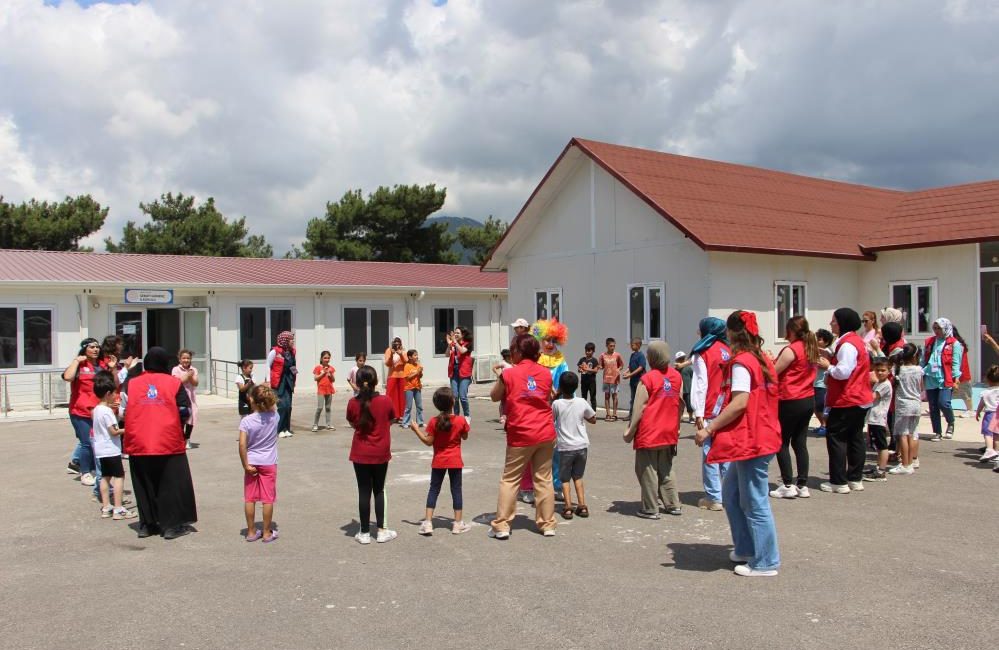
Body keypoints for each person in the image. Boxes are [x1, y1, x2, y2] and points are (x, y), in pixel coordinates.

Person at [695, 310, 781, 577]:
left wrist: (710, 428)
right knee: (732, 495)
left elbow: (740, 402)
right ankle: (745, 547)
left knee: (754, 501)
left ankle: (766, 561)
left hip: (753, 437)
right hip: (759, 433)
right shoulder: (760, 358)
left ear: (732, 333)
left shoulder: (743, 361)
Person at [122, 347, 196, 540]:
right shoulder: (173, 383)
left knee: (144, 484)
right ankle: (170, 525)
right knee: (170, 484)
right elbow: (184, 411)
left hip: (139, 442)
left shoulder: (131, 383)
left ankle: (147, 525)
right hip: (168, 441)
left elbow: (123, 409)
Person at [488, 333, 557, 540]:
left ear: (519, 351)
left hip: (521, 432)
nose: (511, 354)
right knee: (543, 479)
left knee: (510, 479)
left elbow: (494, 396)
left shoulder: (509, 374)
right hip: (545, 431)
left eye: (513, 350)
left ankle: (502, 525)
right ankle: (547, 523)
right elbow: (547, 396)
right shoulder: (546, 373)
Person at [624, 341, 683, 519]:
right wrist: (677, 426)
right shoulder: (676, 377)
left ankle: (650, 507)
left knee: (647, 470)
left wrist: (630, 430)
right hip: (669, 430)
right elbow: (680, 404)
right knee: (666, 468)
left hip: (650, 431)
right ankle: (673, 503)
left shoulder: (648, 379)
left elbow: (639, 407)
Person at [816, 308, 872, 494]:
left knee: (837, 439)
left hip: (846, 398)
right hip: (859, 397)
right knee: (855, 438)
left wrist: (828, 367)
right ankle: (855, 478)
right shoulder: (857, 341)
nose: (831, 323)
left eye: (834, 321)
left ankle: (839, 481)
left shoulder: (847, 345)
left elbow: (843, 372)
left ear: (842, 323)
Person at [410, 387, 471, 536]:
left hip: (439, 461)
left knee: (434, 489)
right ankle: (457, 524)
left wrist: (416, 429)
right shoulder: (460, 420)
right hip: (455, 461)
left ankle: (428, 522)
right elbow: (465, 437)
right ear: (452, 402)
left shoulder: (433, 421)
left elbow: (428, 441)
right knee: (456, 490)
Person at [347, 365, 397, 545]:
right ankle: (382, 530)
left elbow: (353, 423)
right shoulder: (385, 401)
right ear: (376, 382)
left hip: (360, 452)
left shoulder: (353, 403)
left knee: (363, 490)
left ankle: (364, 532)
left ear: (357, 383)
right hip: (381, 451)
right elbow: (392, 419)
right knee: (379, 489)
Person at [770, 316, 818, 499]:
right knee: (800, 442)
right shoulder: (810, 347)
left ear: (790, 330)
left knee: (781, 441)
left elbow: (774, 372)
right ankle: (802, 484)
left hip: (790, 398)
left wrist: (768, 361)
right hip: (807, 398)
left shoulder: (792, 349)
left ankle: (788, 483)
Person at [690, 317, 731, 511]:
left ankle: (714, 496)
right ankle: (730, 492)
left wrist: (698, 412)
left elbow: (700, 384)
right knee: (726, 452)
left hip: (710, 408)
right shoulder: (728, 350)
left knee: (710, 452)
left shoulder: (703, 353)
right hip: (728, 407)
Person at [91, 371, 137, 520]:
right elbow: (113, 431)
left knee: (105, 477)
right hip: (111, 449)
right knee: (119, 477)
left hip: (100, 450)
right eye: (114, 394)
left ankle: (106, 506)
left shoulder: (97, 410)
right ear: (108, 393)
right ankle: (118, 508)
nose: (115, 396)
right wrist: (129, 429)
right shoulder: (107, 411)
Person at [533, 318, 569, 497]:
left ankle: (557, 484)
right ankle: (538, 483)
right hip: (538, 408)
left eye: (553, 340)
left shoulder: (561, 361)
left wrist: (559, 394)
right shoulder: (536, 359)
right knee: (538, 448)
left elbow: (566, 381)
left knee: (557, 449)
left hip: (556, 408)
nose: (549, 343)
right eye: (546, 339)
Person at [239, 384, 280, 543]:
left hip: (252, 462)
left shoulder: (246, 421)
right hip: (269, 462)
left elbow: (242, 444)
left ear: (251, 400)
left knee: (250, 498)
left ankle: (250, 532)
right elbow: (274, 405)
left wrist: (245, 464)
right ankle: (267, 533)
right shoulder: (274, 416)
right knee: (267, 499)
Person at [552, 372, 595, 520]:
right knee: (578, 476)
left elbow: (551, 419)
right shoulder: (582, 402)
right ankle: (582, 506)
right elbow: (593, 419)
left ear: (560, 388)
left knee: (564, 478)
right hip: (581, 445)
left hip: (565, 447)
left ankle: (568, 506)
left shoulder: (557, 404)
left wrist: (554, 396)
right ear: (576, 386)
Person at [63, 338, 101, 487]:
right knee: (86, 443)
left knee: (95, 443)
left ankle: (87, 467)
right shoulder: (79, 366)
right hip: (79, 411)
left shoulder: (100, 366)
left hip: (96, 411)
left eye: (97, 347)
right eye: (92, 347)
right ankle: (85, 472)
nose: (95, 349)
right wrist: (76, 361)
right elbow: (68, 377)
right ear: (84, 349)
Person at [922, 317, 963, 441]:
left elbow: (956, 363)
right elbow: (924, 359)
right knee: (933, 406)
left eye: (939, 328)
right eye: (935, 328)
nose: (936, 331)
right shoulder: (929, 341)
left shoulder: (954, 343)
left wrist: (956, 379)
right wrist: (920, 371)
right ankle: (937, 432)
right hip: (930, 376)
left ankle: (950, 422)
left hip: (945, 377)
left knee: (944, 403)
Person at [890, 344, 922, 475]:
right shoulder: (919, 369)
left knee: (903, 434)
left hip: (903, 405)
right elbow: (922, 386)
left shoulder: (898, 370)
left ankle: (905, 464)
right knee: (913, 433)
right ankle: (912, 460)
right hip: (916, 403)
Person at [863, 358, 893, 482]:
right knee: (877, 445)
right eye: (877, 370)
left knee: (882, 446)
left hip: (879, 419)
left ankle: (881, 471)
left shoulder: (885, 385)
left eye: (883, 370)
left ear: (889, 371)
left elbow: (872, 397)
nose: (880, 373)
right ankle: (877, 467)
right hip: (873, 418)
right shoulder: (879, 383)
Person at [268, 331, 298, 438]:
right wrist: (268, 381)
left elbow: (293, 366)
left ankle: (286, 428)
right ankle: (279, 429)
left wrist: (294, 378)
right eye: (291, 340)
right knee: (282, 406)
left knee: (288, 406)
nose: (293, 342)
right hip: (279, 382)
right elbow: (268, 366)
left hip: (288, 381)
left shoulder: (292, 352)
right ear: (285, 341)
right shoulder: (275, 351)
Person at [172, 349, 199, 449]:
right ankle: (181, 439)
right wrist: (187, 375)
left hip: (191, 397)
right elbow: (177, 382)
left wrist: (191, 376)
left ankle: (187, 439)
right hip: (180, 398)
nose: (186, 360)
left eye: (188, 358)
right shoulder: (175, 369)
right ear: (179, 359)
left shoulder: (194, 369)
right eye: (183, 358)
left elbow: (195, 383)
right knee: (181, 418)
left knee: (192, 418)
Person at [447, 327, 474, 422]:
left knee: (462, 396)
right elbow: (446, 354)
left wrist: (454, 342)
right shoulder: (454, 344)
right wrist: (449, 345)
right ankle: (456, 416)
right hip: (454, 371)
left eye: (458, 333)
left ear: (463, 334)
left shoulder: (468, 344)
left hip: (464, 372)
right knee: (455, 396)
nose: (456, 334)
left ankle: (467, 415)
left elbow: (462, 351)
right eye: (455, 333)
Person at [812, 329, 835, 436]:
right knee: (815, 407)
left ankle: (825, 425)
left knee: (820, 406)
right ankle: (822, 424)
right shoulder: (817, 351)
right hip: (815, 383)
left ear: (826, 342)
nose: (817, 341)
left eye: (819, 339)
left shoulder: (827, 352)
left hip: (822, 384)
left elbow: (822, 364)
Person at [976, 365, 999, 462]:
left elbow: (981, 404)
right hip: (998, 414)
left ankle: (989, 449)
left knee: (987, 433)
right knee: (997, 435)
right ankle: (997, 453)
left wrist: (978, 412)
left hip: (990, 414)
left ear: (987, 380)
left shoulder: (986, 392)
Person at [598, 338, 625, 421]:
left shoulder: (617, 355)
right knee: (606, 396)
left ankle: (615, 414)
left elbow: (621, 365)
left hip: (615, 379)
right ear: (606, 346)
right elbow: (601, 366)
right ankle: (608, 414)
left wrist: (618, 369)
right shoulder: (602, 355)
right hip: (606, 379)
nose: (612, 347)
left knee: (615, 396)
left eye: (614, 346)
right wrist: (599, 367)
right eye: (610, 346)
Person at [384, 337, 408, 422]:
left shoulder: (404, 351)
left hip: (402, 376)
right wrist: (391, 354)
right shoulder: (389, 350)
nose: (397, 345)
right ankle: (392, 415)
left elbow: (406, 362)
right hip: (392, 375)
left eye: (399, 343)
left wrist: (400, 354)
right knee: (390, 396)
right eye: (395, 343)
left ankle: (402, 415)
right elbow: (387, 364)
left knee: (402, 397)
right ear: (392, 343)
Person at [952, 326, 974, 418]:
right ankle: (940, 408)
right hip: (953, 373)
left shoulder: (958, 345)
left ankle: (970, 410)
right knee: (948, 393)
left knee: (965, 393)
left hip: (962, 373)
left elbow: (958, 360)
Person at [622, 338, 647, 420]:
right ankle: (631, 415)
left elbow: (641, 367)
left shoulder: (641, 355)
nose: (631, 346)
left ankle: (641, 416)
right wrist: (626, 372)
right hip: (633, 381)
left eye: (633, 344)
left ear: (638, 345)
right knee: (633, 398)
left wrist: (630, 375)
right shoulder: (632, 355)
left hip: (639, 381)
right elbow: (630, 366)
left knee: (640, 399)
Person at [311, 350, 336, 432]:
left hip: (329, 390)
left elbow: (333, 380)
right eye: (325, 358)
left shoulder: (331, 368)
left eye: (328, 358)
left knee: (328, 407)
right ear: (321, 359)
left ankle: (328, 424)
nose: (327, 359)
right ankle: (315, 424)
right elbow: (315, 378)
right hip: (321, 390)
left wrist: (330, 374)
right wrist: (322, 373)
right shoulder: (318, 368)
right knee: (320, 407)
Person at [400, 349, 424, 428]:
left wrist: (420, 372)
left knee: (419, 406)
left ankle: (420, 422)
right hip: (409, 388)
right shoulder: (407, 366)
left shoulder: (417, 365)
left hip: (417, 387)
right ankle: (405, 422)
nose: (417, 357)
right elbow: (407, 377)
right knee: (408, 406)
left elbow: (420, 376)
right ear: (410, 357)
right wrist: (417, 372)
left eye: (417, 355)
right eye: (415, 355)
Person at [492, 349, 513, 426]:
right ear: (506, 357)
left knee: (509, 399)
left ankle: (507, 415)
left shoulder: (512, 364)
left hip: (511, 384)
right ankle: (502, 416)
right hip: (503, 383)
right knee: (503, 400)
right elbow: (494, 368)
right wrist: (499, 375)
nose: (511, 358)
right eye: (510, 357)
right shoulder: (503, 363)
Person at [577, 342, 599, 411]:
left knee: (592, 397)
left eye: (589, 351)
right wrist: (580, 369)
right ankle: (584, 411)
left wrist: (587, 369)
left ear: (593, 351)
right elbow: (579, 369)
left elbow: (596, 370)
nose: (587, 352)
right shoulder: (582, 359)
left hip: (591, 382)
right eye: (586, 350)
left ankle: (593, 412)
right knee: (584, 397)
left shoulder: (594, 360)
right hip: (583, 381)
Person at [675, 351, 694, 423]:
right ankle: (680, 417)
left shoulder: (688, 368)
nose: (681, 360)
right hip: (679, 391)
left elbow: (692, 377)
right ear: (676, 360)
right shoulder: (675, 370)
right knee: (680, 405)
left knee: (689, 404)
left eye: (682, 358)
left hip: (688, 389)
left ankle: (691, 417)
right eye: (679, 359)